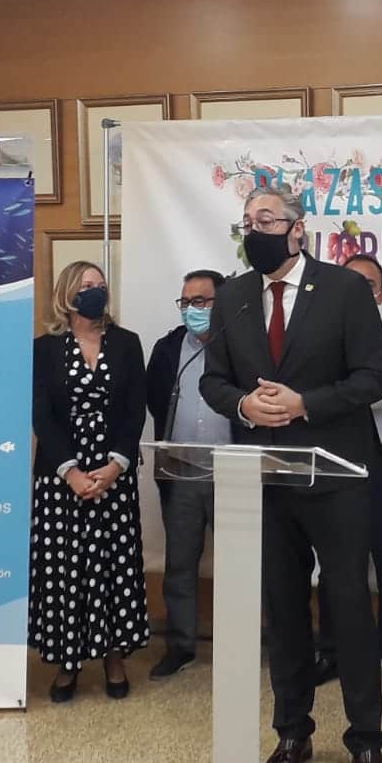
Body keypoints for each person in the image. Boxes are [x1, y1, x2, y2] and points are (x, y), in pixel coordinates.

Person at [199, 183, 382, 763]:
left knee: (348, 607)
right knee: (283, 610)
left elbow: (375, 378)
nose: (254, 230)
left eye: (266, 220)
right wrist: (245, 406)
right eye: (247, 221)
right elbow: (213, 381)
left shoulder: (343, 289)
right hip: (265, 478)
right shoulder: (232, 296)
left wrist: (305, 402)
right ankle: (292, 734)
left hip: (336, 476)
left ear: (297, 229)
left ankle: (366, 742)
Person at [29, 261, 149, 702]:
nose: (94, 291)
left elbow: (135, 408)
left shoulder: (127, 343)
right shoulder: (44, 349)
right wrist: (71, 472)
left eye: (100, 285)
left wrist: (116, 464)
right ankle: (68, 663)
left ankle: (115, 657)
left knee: (114, 566)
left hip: (113, 475)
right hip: (61, 479)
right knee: (66, 570)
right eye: (85, 285)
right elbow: (41, 414)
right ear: (66, 294)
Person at [312, 254, 382, 697]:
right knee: (333, 561)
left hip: (381, 456)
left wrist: (334, 392)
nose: (357, 291)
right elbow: (314, 392)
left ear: (381, 293)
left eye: (367, 284)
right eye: (349, 282)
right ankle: (331, 651)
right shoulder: (319, 335)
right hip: (334, 455)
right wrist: (353, 388)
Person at [144, 268, 230, 680]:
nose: (191, 309)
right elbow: (153, 398)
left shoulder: (241, 344)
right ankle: (180, 646)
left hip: (233, 472)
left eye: (200, 301)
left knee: (240, 564)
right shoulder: (168, 348)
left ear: (221, 303)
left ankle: (237, 645)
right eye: (186, 302)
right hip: (180, 471)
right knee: (179, 563)